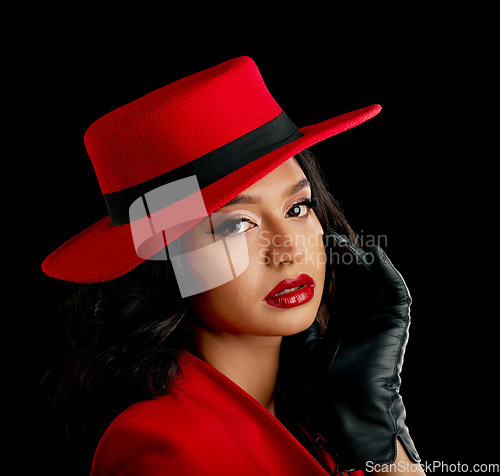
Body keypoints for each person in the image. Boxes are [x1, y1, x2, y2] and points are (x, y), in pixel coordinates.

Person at [42, 56, 424, 475]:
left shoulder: (316, 412)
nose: (288, 251)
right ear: (165, 262)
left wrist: (374, 428)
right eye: (237, 224)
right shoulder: (166, 452)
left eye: (298, 207)